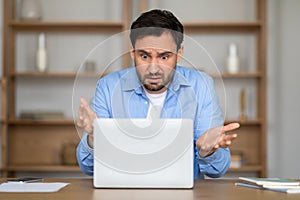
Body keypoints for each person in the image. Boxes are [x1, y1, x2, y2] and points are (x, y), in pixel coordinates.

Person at [76, 9, 239, 179]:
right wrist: (95, 140)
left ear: (179, 54)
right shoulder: (108, 86)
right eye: (144, 56)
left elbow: (218, 170)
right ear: (133, 53)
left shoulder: (201, 85)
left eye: (164, 57)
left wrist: (206, 152)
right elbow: (88, 168)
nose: (153, 68)